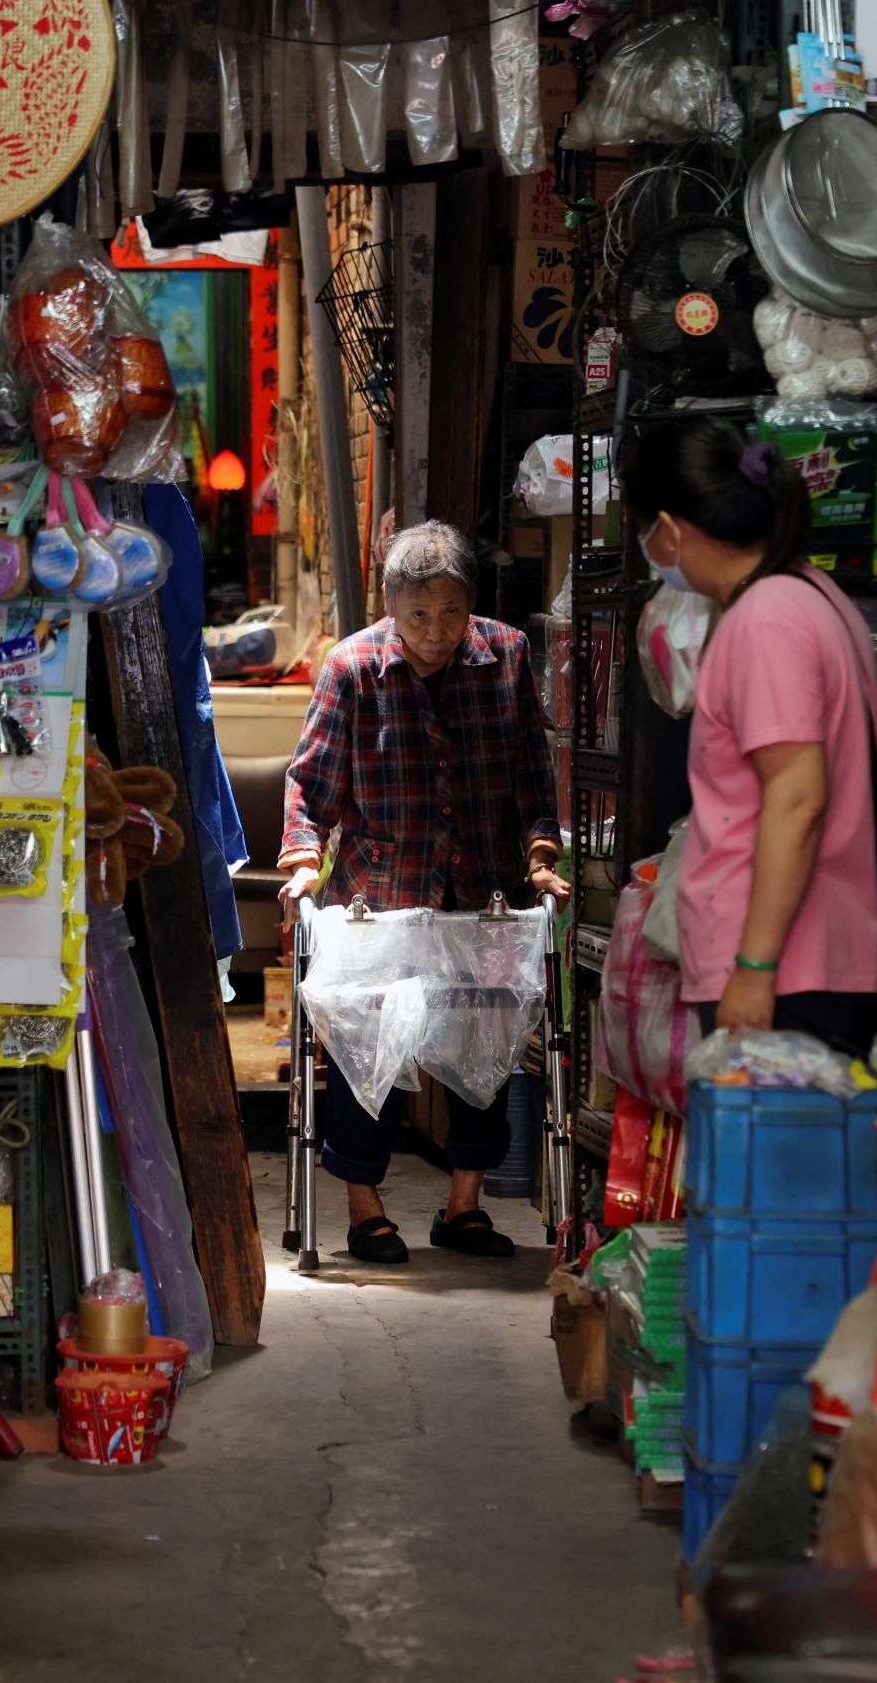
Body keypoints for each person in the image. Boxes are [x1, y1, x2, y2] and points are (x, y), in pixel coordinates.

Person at [276, 521, 570, 1265]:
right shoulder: (351, 667)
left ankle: (463, 1204)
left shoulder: (505, 655)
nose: (436, 633)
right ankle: (364, 1207)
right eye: (418, 616)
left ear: (471, 605)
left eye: (451, 613)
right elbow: (309, 788)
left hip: (482, 893)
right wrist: (304, 862)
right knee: (365, 1047)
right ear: (390, 605)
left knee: (487, 1043)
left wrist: (539, 852)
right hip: (382, 894)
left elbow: (534, 775)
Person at [622, 417, 877, 1051]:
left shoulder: (767, 618)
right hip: (807, 959)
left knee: (768, 1150)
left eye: (642, 530)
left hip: (787, 970)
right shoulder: (808, 596)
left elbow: (799, 798)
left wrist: (755, 966)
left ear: (669, 529)